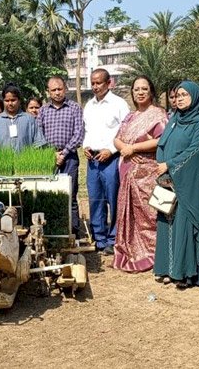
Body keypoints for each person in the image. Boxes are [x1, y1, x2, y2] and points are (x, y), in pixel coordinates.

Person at [153, 81, 199, 287]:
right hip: (167, 179)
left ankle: (185, 272)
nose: (179, 98)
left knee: (183, 222)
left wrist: (170, 165)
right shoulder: (175, 118)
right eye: (177, 95)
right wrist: (162, 166)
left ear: (195, 96)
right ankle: (167, 268)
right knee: (167, 220)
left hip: (188, 180)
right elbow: (162, 142)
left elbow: (196, 150)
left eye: (184, 95)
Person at [112, 76, 168, 272]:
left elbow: (161, 140)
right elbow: (116, 139)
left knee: (149, 213)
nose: (140, 92)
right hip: (127, 170)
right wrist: (125, 148)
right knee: (130, 213)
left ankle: (152, 253)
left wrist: (133, 148)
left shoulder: (158, 115)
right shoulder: (130, 116)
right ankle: (131, 252)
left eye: (144, 88)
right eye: (137, 89)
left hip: (148, 172)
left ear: (151, 91)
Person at [83, 69, 130, 254]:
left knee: (113, 199)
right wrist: (86, 146)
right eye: (92, 83)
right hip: (93, 160)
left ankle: (113, 238)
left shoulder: (119, 104)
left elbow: (125, 132)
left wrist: (110, 151)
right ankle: (99, 238)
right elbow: (87, 131)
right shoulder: (89, 105)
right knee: (96, 199)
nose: (95, 87)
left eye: (99, 83)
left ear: (109, 83)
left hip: (111, 158)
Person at [37, 76, 84, 235]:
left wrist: (63, 153)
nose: (57, 92)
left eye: (60, 89)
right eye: (53, 90)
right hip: (49, 157)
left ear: (65, 89)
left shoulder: (74, 108)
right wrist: (52, 154)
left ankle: (73, 231)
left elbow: (79, 134)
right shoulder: (43, 110)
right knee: (49, 193)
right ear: (48, 92)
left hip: (69, 157)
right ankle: (52, 230)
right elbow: (39, 134)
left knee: (70, 194)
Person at [0, 83, 46, 152]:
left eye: (13, 100)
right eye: (7, 101)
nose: (10, 103)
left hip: (25, 161)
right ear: (3, 101)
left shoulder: (29, 119)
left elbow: (38, 144)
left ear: (19, 100)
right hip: (2, 161)